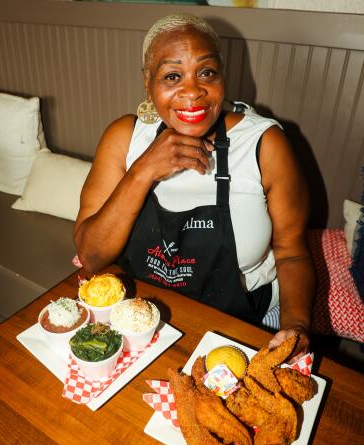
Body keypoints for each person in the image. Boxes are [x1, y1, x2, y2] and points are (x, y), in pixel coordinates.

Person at [74, 13, 316, 361]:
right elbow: (91, 256)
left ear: (222, 76)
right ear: (147, 83)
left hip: (244, 324)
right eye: (172, 76)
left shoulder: (265, 145)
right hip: (141, 321)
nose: (192, 92)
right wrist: (143, 170)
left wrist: (297, 326)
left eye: (206, 72)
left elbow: (292, 253)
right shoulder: (123, 138)